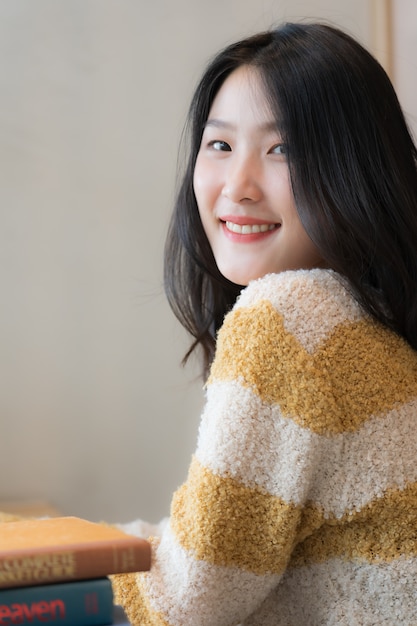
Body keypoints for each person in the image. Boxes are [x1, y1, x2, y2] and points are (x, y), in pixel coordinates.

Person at [111, 22, 417, 625]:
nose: (238, 187)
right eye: (220, 146)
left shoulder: (289, 321)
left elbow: (192, 600)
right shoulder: (371, 322)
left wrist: (62, 558)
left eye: (284, 150)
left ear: (354, 168)